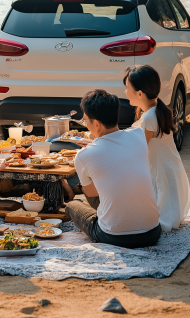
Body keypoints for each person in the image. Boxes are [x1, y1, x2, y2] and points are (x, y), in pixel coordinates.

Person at [65, 89, 161, 248]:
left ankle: (110, 217)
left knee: (72, 205)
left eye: (86, 120)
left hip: (114, 236)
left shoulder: (83, 156)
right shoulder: (138, 134)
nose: (85, 124)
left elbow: (91, 193)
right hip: (152, 233)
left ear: (96, 124)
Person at [123, 64, 190, 232]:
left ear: (139, 93)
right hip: (169, 166)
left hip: (161, 169)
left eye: (127, 88)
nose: (125, 92)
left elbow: (136, 148)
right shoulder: (157, 109)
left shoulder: (149, 118)